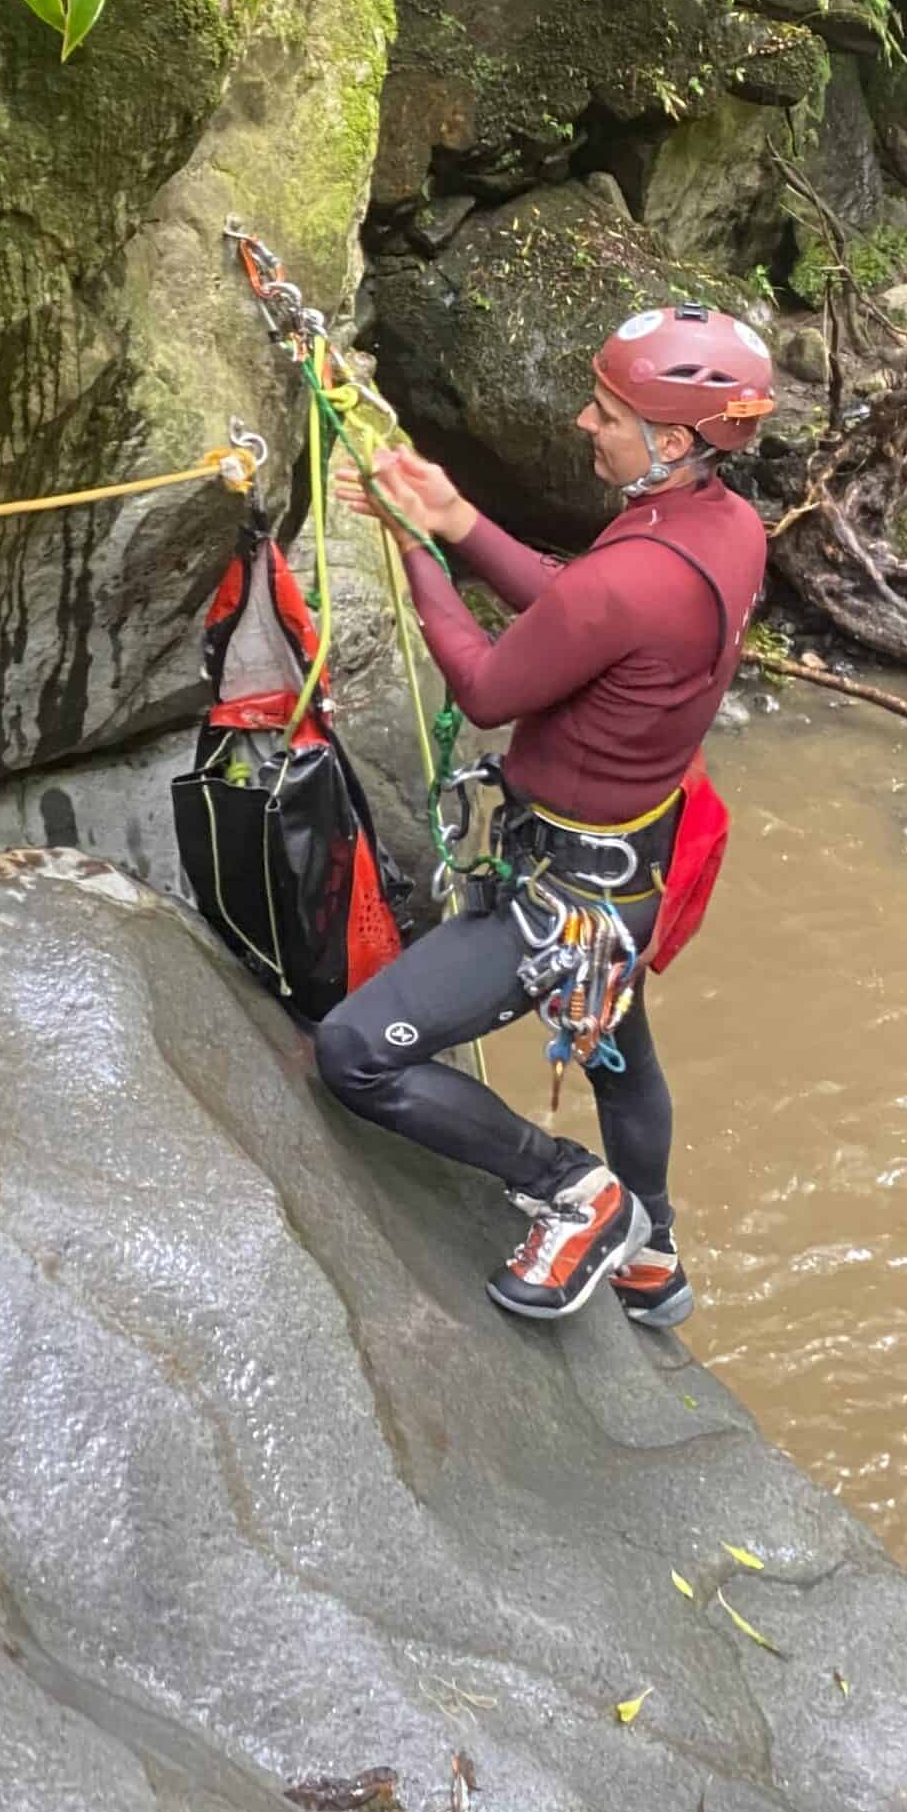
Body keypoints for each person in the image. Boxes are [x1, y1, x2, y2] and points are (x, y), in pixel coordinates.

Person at [317, 304, 772, 1326]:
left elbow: (487, 686)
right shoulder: (721, 527)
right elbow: (583, 607)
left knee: (354, 1055)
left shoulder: (631, 574)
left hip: (559, 904)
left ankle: (575, 1191)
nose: (583, 423)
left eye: (607, 413)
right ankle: (653, 1255)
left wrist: (413, 557)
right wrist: (456, 520)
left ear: (679, 438)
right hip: (633, 874)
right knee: (617, 1053)